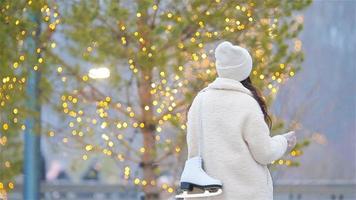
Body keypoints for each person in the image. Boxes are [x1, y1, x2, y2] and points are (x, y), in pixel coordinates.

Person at [185, 41, 297, 200]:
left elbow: (194, 150)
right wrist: (283, 141)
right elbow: (264, 153)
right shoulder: (247, 103)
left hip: (206, 194)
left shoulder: (200, 101)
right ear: (245, 71)